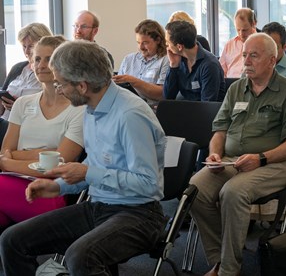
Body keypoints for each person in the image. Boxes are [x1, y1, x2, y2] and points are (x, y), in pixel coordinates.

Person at [0, 41, 166, 275]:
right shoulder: (91, 107)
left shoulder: (130, 115)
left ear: (82, 86)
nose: (58, 90)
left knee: (80, 257)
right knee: (12, 240)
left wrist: (87, 173)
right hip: (99, 206)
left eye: (61, 84)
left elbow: (148, 184)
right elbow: (96, 163)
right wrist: (58, 187)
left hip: (140, 214)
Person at [189, 33, 286, 276]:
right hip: (232, 161)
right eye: (244, 55)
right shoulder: (236, 89)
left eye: (254, 55)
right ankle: (220, 259)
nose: (246, 61)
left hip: (274, 163)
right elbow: (220, 131)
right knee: (195, 189)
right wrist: (215, 155)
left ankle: (228, 270)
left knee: (233, 192)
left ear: (272, 60)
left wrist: (260, 158)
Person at [0, 36, 84, 230]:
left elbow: (58, 163)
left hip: (50, 189)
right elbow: (6, 149)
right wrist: (44, 152)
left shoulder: (79, 109)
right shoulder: (23, 103)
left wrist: (8, 162)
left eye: (49, 59)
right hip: (10, 181)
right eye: (37, 59)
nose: (41, 65)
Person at [1, 23, 52, 121]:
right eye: (24, 46)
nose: (26, 51)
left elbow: (51, 108)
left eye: (31, 46)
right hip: (5, 121)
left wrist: (20, 108)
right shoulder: (17, 68)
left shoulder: (50, 73)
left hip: (28, 124)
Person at [163, 20, 225, 102]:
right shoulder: (179, 60)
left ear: (179, 47)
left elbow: (207, 104)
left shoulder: (209, 65)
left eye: (168, 42)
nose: (166, 45)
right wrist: (173, 65)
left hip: (205, 109)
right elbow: (168, 97)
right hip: (186, 108)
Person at [113, 19, 169, 105]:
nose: (141, 47)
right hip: (126, 106)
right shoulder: (128, 59)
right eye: (138, 42)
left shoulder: (166, 60)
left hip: (151, 108)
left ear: (158, 40)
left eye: (145, 43)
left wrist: (133, 81)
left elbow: (162, 94)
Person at [219, 8, 257, 78]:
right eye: (238, 30)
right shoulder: (229, 44)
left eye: (244, 30)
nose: (241, 34)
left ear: (253, 24)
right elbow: (220, 71)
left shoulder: (261, 44)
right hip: (230, 83)